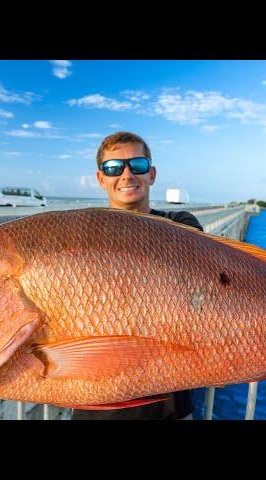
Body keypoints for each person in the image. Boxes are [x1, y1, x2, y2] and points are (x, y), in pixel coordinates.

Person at [70, 131, 202, 420]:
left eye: (137, 165)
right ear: (100, 178)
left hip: (169, 406)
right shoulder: (83, 234)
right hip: (95, 406)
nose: (127, 175)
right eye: (113, 168)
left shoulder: (180, 223)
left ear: (151, 174)